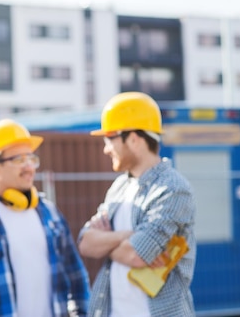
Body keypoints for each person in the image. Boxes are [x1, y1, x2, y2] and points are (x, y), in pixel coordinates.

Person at [0, 119, 90, 317]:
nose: (29, 167)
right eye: (18, 160)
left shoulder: (51, 215)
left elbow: (77, 276)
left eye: (31, 159)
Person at [78, 91, 196, 317]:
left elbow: (136, 256)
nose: (105, 148)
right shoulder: (119, 188)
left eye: (110, 138)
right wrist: (128, 235)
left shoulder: (172, 189)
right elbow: (85, 242)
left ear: (133, 138)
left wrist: (107, 242)